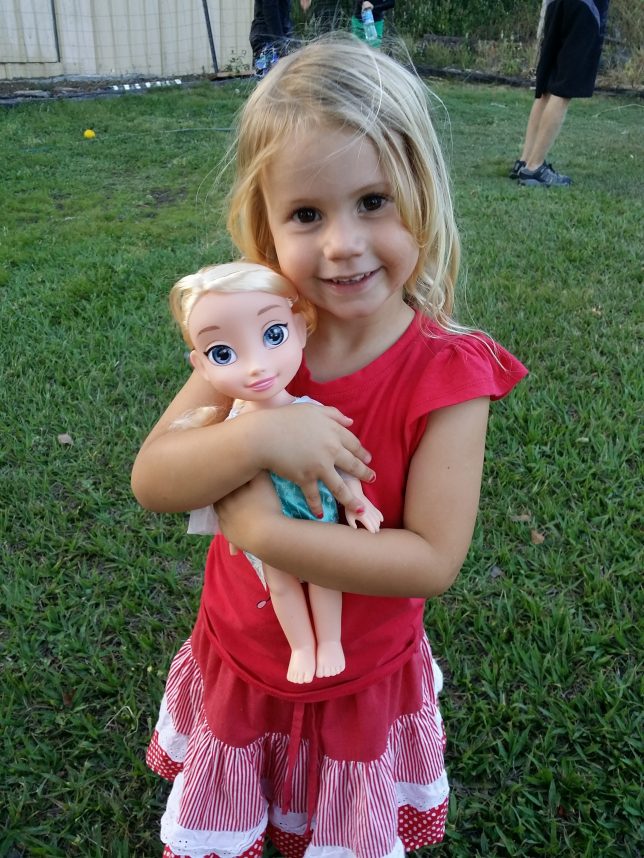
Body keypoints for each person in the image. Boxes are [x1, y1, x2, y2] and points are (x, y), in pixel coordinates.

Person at [132, 35, 528, 858]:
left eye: (374, 201)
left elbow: (431, 560)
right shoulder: (259, 338)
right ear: (265, 226)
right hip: (243, 648)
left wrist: (264, 533)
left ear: (423, 197)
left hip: (360, 671)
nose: (342, 242)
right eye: (307, 215)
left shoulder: (448, 373)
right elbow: (154, 477)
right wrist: (263, 432)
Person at [169, 260, 383, 684]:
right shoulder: (229, 430)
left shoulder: (311, 412)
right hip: (265, 530)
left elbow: (343, 460)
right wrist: (229, 525)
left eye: (273, 335)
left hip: (318, 511)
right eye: (223, 353)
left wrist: (358, 504)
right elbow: (219, 479)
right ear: (201, 365)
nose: (256, 366)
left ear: (299, 329)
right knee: (280, 584)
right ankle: (302, 647)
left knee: (324, 578)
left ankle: (330, 642)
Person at [510, 0, 611, 187]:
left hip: (555, 4)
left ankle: (524, 161)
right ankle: (534, 168)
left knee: (547, 87)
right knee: (563, 89)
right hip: (585, 8)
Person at [250, 0, 311, 77]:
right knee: (272, 81)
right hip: (267, 39)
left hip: (275, 38)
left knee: (283, 81)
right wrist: (280, 43)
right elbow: (270, 8)